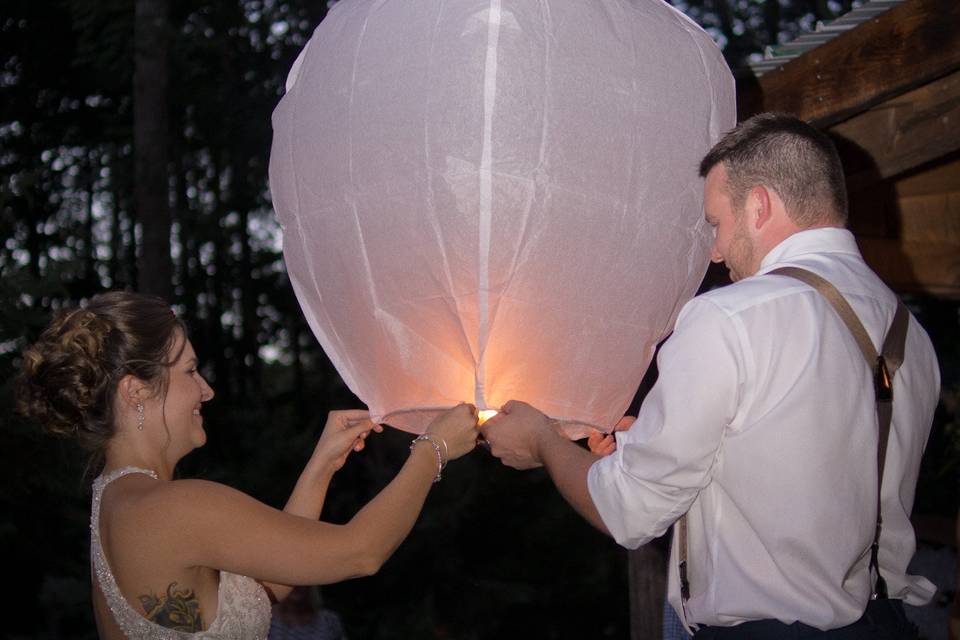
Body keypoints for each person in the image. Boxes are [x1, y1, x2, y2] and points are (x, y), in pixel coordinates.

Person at [480, 113, 939, 637]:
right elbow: (817, 469)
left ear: (760, 205)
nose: (715, 253)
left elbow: (628, 513)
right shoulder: (911, 334)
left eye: (717, 223)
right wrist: (652, 443)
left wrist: (541, 442)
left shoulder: (729, 317)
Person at [16, 291, 479, 639]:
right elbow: (358, 553)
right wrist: (432, 448)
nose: (206, 390)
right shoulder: (174, 506)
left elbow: (268, 584)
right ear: (136, 390)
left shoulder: (116, 501)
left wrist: (321, 466)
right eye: (190, 371)